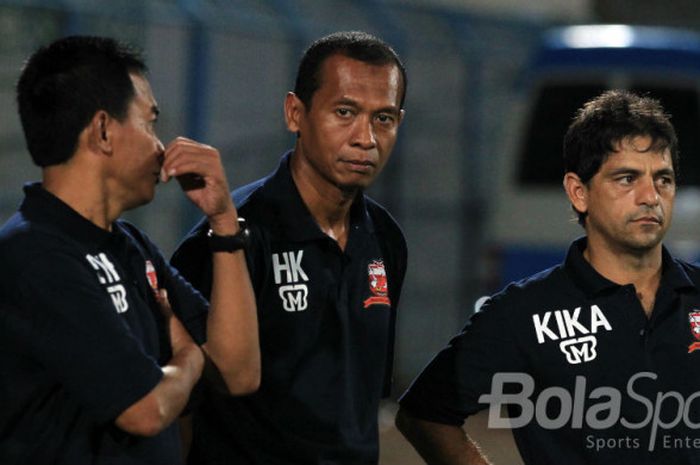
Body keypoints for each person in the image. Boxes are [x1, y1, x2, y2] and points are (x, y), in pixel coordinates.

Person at [396, 90, 700, 465]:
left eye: (663, 179)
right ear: (579, 192)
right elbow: (424, 414)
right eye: (627, 178)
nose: (650, 196)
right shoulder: (524, 313)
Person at [0, 36, 260, 465]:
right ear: (103, 130)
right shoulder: (35, 255)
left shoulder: (130, 246)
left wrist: (225, 224)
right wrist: (188, 360)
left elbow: (239, 373)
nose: (162, 148)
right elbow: (145, 409)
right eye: (150, 122)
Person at [170, 30, 408, 464]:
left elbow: (363, 398)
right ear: (295, 113)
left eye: (384, 118)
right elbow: (181, 407)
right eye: (344, 112)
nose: (366, 138)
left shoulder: (386, 238)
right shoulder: (229, 239)